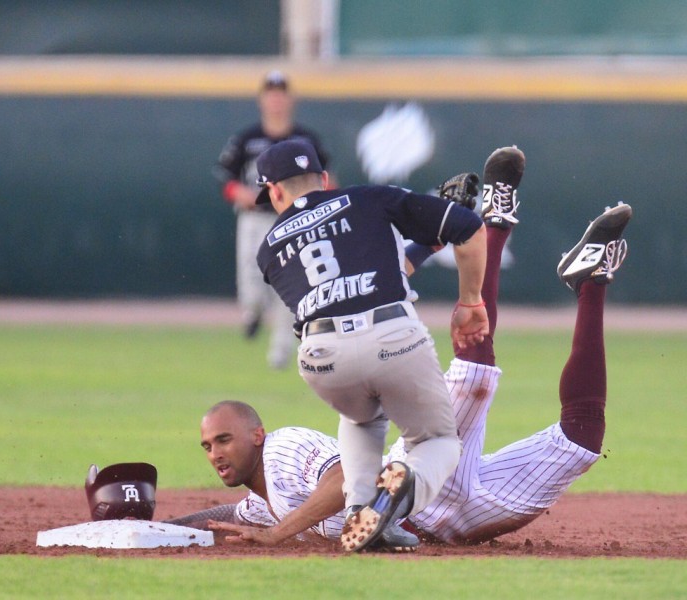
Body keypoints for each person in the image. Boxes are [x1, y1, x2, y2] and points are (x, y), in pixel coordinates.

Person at [168, 146, 633, 549]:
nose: (214, 453)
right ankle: (589, 279)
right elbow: (223, 520)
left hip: (406, 471)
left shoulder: (281, 450)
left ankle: (497, 217)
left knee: (471, 371)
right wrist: (153, 526)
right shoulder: (258, 506)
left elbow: (341, 477)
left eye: (222, 439)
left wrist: (282, 532)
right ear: (323, 181)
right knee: (582, 438)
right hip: (459, 522)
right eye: (208, 445)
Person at [251, 137, 489, 553]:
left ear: (274, 191)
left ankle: (360, 510)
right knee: (438, 442)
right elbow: (468, 229)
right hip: (391, 338)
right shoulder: (366, 199)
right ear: (324, 179)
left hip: (321, 356)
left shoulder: (268, 250)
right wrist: (471, 302)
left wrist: (429, 244)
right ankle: (401, 486)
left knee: (361, 415)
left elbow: (370, 276)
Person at [214, 70, 335, 370]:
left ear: (290, 99)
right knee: (251, 276)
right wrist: (239, 193)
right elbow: (225, 177)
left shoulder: (305, 139)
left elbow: (326, 178)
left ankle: (280, 351)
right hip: (255, 217)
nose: (277, 100)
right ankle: (252, 312)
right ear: (262, 100)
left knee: (290, 283)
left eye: (281, 94)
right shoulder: (248, 139)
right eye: (271, 94)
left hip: (292, 219)